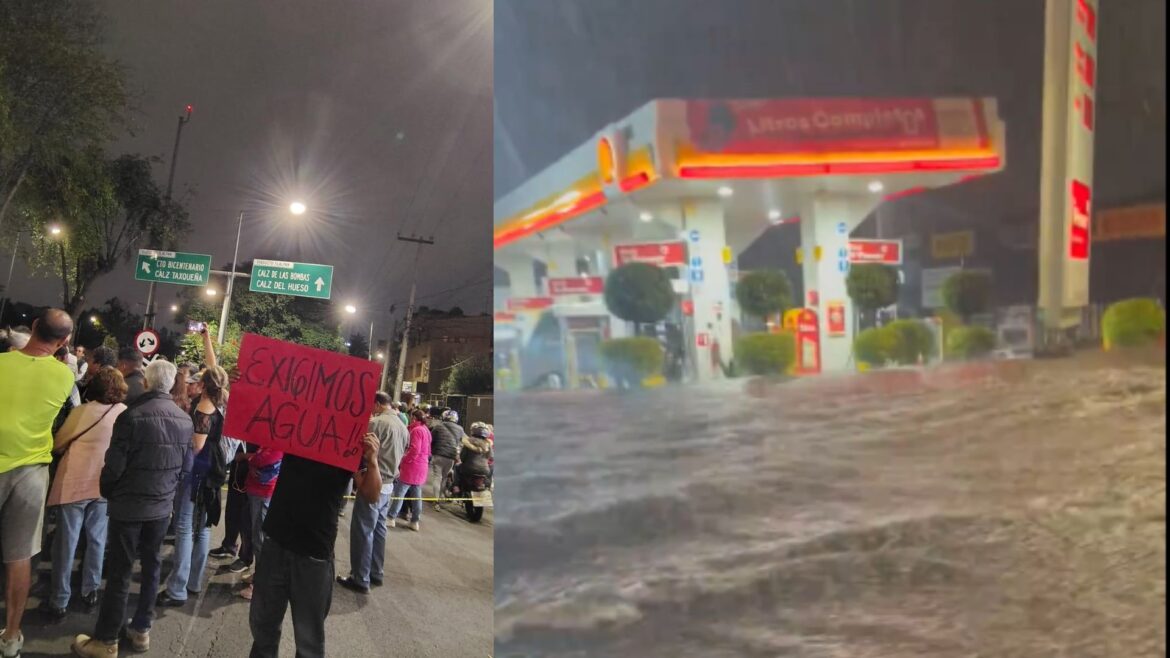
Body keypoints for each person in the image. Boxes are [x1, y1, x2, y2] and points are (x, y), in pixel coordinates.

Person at [70, 359, 193, 657]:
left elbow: (114, 465)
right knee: (152, 568)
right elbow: (185, 468)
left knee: (121, 572)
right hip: (161, 507)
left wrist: (108, 491)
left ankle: (107, 639)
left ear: (147, 382)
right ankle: (141, 631)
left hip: (129, 506)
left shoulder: (133, 415)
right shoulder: (184, 419)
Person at [248, 434, 382, 658]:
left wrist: (373, 461)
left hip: (314, 553)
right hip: (276, 542)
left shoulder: (351, 435)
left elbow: (371, 494)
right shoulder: (297, 422)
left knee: (309, 641)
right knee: (263, 630)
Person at [0, 310, 75, 658]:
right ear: (64, 342)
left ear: (32, 328)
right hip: (32, 472)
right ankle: (11, 636)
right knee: (19, 556)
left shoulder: (2, 363)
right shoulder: (64, 377)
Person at [40, 367, 128, 621]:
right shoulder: (123, 413)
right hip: (104, 485)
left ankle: (59, 599)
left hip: (75, 482)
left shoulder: (81, 412)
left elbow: (58, 444)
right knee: (97, 539)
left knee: (66, 542)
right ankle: (90, 591)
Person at [157, 366, 230, 608]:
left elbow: (196, 445)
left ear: (204, 384)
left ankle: (177, 588)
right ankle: (193, 582)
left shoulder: (204, 408)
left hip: (197, 473)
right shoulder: (223, 402)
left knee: (185, 528)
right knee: (202, 528)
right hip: (212, 472)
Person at [337, 392, 409, 594]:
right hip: (389, 484)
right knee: (378, 530)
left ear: (377, 404)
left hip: (372, 481)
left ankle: (360, 578)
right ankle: (376, 572)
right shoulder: (403, 427)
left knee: (363, 531)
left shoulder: (376, 424)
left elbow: (359, 449)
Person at [236, 441, 283, 601]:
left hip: (263, 492)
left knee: (260, 539)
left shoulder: (279, 441)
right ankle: (259, 576)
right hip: (257, 490)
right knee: (256, 536)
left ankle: (261, 585)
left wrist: (246, 457)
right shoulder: (269, 439)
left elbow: (265, 459)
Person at [386, 409, 433, 532]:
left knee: (400, 493)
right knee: (416, 495)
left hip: (411, 467)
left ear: (413, 418)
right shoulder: (426, 430)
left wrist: (404, 459)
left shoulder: (416, 430)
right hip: (422, 466)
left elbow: (414, 449)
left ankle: (391, 517)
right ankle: (415, 521)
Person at [427, 407, 460, 506]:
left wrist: (431, 451)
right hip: (451, 457)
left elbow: (431, 439)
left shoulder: (438, 427)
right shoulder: (460, 429)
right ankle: (441, 496)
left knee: (437, 477)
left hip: (439, 455)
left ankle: (436, 499)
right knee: (444, 477)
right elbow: (462, 441)